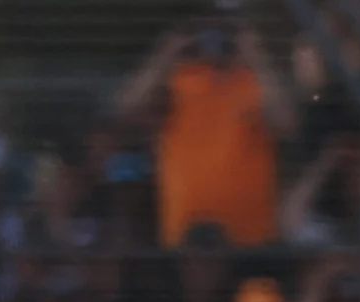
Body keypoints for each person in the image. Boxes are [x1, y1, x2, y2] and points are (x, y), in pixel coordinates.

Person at [118, 5, 295, 248]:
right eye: (211, 27)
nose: (218, 37)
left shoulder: (255, 82)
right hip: (186, 236)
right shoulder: (179, 80)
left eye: (227, 28)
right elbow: (127, 111)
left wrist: (256, 57)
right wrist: (166, 53)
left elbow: (286, 124)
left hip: (250, 236)